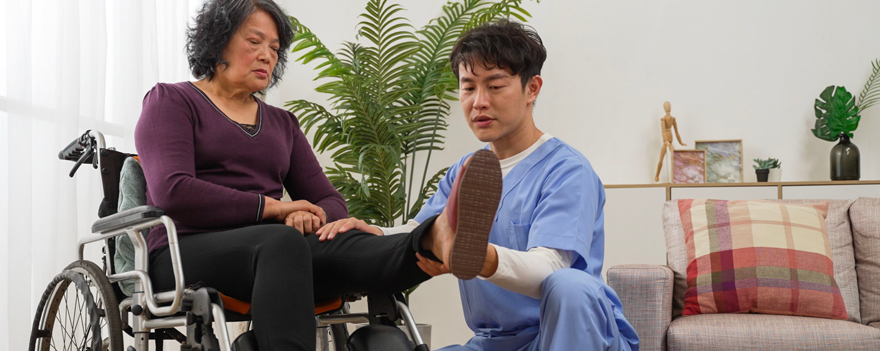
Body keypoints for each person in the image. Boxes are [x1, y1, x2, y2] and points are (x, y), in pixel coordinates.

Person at [133, 1, 502, 350]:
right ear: (217, 40)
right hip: (182, 252)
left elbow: (330, 200)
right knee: (281, 242)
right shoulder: (171, 101)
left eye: (275, 48)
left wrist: (313, 216)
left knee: (351, 239)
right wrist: (278, 209)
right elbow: (173, 191)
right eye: (254, 42)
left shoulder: (282, 123)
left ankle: (434, 240)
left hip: (278, 252)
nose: (267, 56)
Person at [317, 20, 640, 351]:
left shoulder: (568, 170)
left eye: (495, 86)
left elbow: (550, 267)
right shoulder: (466, 170)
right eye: (468, 88)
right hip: (495, 343)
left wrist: (478, 257)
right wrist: (375, 234)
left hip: (570, 335)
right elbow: (424, 231)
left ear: (532, 88)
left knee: (571, 285)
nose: (479, 102)